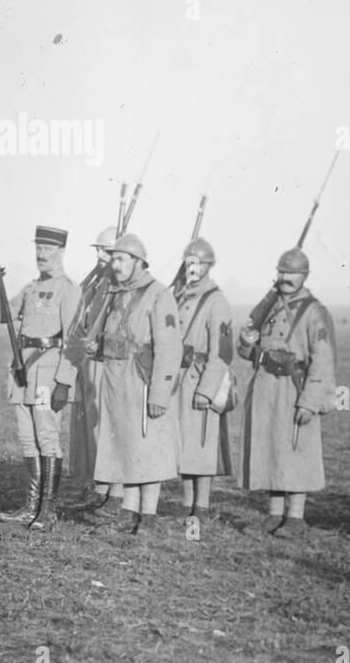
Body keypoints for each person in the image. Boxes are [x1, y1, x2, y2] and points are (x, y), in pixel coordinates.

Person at [239, 247, 337, 539]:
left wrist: (310, 402)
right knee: (271, 448)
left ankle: (295, 517)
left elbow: (323, 360)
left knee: (296, 450)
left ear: (304, 276)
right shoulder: (270, 308)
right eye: (281, 272)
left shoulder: (314, 312)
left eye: (292, 273)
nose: (285, 278)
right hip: (266, 386)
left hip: (295, 388)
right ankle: (274, 514)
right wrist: (246, 342)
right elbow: (250, 351)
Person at [0, 225, 79, 530]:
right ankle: (31, 507)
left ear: (61, 252)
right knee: (28, 439)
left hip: (48, 373)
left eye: (48, 249)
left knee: (47, 437)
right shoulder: (30, 287)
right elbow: (3, 314)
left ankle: (47, 511)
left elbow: (74, 340)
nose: (41, 254)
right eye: (38, 248)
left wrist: (64, 382)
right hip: (23, 371)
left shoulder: (68, 289)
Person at [90, 233, 183, 535]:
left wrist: (160, 394)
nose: (114, 265)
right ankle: (129, 508)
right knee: (126, 444)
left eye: (120, 259)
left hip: (143, 380)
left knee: (147, 445)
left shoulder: (159, 294)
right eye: (113, 258)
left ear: (138, 262)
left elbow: (169, 348)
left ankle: (149, 514)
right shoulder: (116, 293)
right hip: (117, 381)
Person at [55, 225, 121, 514]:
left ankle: (108, 490)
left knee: (104, 427)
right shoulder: (95, 282)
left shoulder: (118, 286)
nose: (100, 255)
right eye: (98, 250)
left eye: (105, 250)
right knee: (87, 426)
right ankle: (94, 484)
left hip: (106, 364)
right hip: (87, 361)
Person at [173, 237, 234, 523]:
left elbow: (221, 352)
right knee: (184, 443)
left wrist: (207, 390)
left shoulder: (216, 300)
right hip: (178, 378)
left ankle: (203, 505)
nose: (192, 267)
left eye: (198, 263)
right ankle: (187, 504)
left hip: (200, 378)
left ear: (209, 266)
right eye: (189, 262)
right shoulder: (179, 295)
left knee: (203, 443)